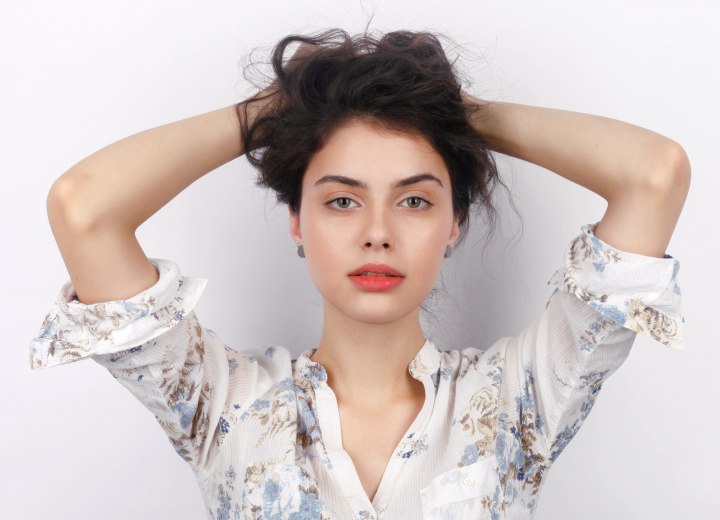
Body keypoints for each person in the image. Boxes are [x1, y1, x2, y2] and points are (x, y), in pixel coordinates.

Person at [28, 28, 688, 519]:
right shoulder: (221, 404)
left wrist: (455, 115)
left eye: (415, 200)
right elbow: (84, 209)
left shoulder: (520, 400)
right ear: (297, 221)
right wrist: (269, 113)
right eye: (342, 199)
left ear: (453, 222)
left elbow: (653, 174)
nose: (377, 231)